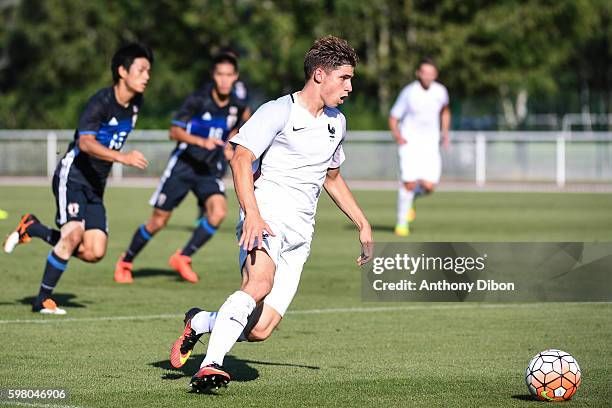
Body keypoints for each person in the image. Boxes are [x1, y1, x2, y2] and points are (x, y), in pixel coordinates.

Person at [168, 35, 374, 392]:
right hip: (266, 218)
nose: (350, 87)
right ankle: (210, 365)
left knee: (260, 329)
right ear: (320, 75)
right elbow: (241, 157)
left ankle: (201, 321)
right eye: (345, 78)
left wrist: (362, 222)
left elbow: (332, 177)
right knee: (258, 284)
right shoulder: (278, 111)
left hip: (301, 234)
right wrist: (251, 213)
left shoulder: (337, 123)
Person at [2, 44, 153, 314]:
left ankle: (33, 228)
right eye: (141, 70)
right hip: (73, 176)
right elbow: (84, 143)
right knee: (73, 236)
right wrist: (123, 158)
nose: (146, 76)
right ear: (121, 71)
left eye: (148, 71)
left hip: (96, 184)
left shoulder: (136, 104)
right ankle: (42, 300)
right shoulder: (101, 102)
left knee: (94, 252)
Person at [114, 53, 250, 284]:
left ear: (235, 77)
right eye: (220, 74)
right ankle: (125, 261)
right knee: (158, 221)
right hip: (184, 166)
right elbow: (174, 132)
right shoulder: (197, 100)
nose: (224, 80)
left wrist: (232, 144)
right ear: (213, 76)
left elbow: (244, 126)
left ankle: (183, 257)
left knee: (218, 212)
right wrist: (201, 141)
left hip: (208, 169)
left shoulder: (238, 106)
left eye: (229, 75)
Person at [389, 58, 450, 237]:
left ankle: (413, 198)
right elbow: (394, 117)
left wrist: (445, 133)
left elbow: (445, 111)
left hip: (431, 144)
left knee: (430, 186)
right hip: (410, 143)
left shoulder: (441, 91)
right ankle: (401, 224)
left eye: (431, 73)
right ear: (418, 73)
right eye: (424, 72)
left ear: (435, 75)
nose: (428, 76)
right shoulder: (409, 92)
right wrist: (398, 136)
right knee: (408, 183)